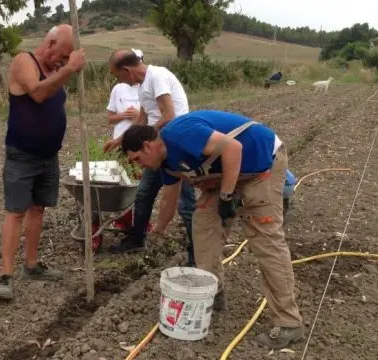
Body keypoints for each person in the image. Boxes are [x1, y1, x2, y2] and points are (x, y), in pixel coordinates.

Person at [118, 110, 304, 349]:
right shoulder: (166, 165)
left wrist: (227, 196)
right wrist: (159, 231)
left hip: (261, 165)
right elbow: (169, 199)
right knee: (203, 223)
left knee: (265, 240)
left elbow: (233, 148)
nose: (139, 166)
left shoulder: (179, 133)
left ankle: (289, 323)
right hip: (227, 174)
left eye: (136, 159)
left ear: (147, 146)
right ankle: (211, 293)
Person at [0, 24, 86, 301]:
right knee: (16, 212)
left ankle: (31, 265)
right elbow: (37, 93)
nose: (63, 60)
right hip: (22, 155)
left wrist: (65, 70)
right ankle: (6, 275)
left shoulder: (56, 70)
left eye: (68, 56)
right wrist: (69, 69)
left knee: (38, 209)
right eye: (62, 54)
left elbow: (54, 99)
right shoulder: (24, 61)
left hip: (49, 156)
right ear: (49, 43)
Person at [103, 49, 196, 263]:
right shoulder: (143, 85)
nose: (120, 81)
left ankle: (196, 254)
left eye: (118, 76)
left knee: (186, 204)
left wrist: (146, 138)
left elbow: (169, 115)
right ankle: (137, 239)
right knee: (144, 194)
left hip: (176, 145)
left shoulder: (158, 76)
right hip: (155, 146)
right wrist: (120, 140)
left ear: (127, 70)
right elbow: (141, 120)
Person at [105, 49, 149, 232]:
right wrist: (123, 114)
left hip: (139, 143)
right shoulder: (118, 89)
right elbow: (110, 117)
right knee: (122, 184)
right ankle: (124, 221)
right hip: (121, 141)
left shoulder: (145, 86)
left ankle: (141, 222)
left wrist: (139, 115)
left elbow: (149, 116)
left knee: (140, 185)